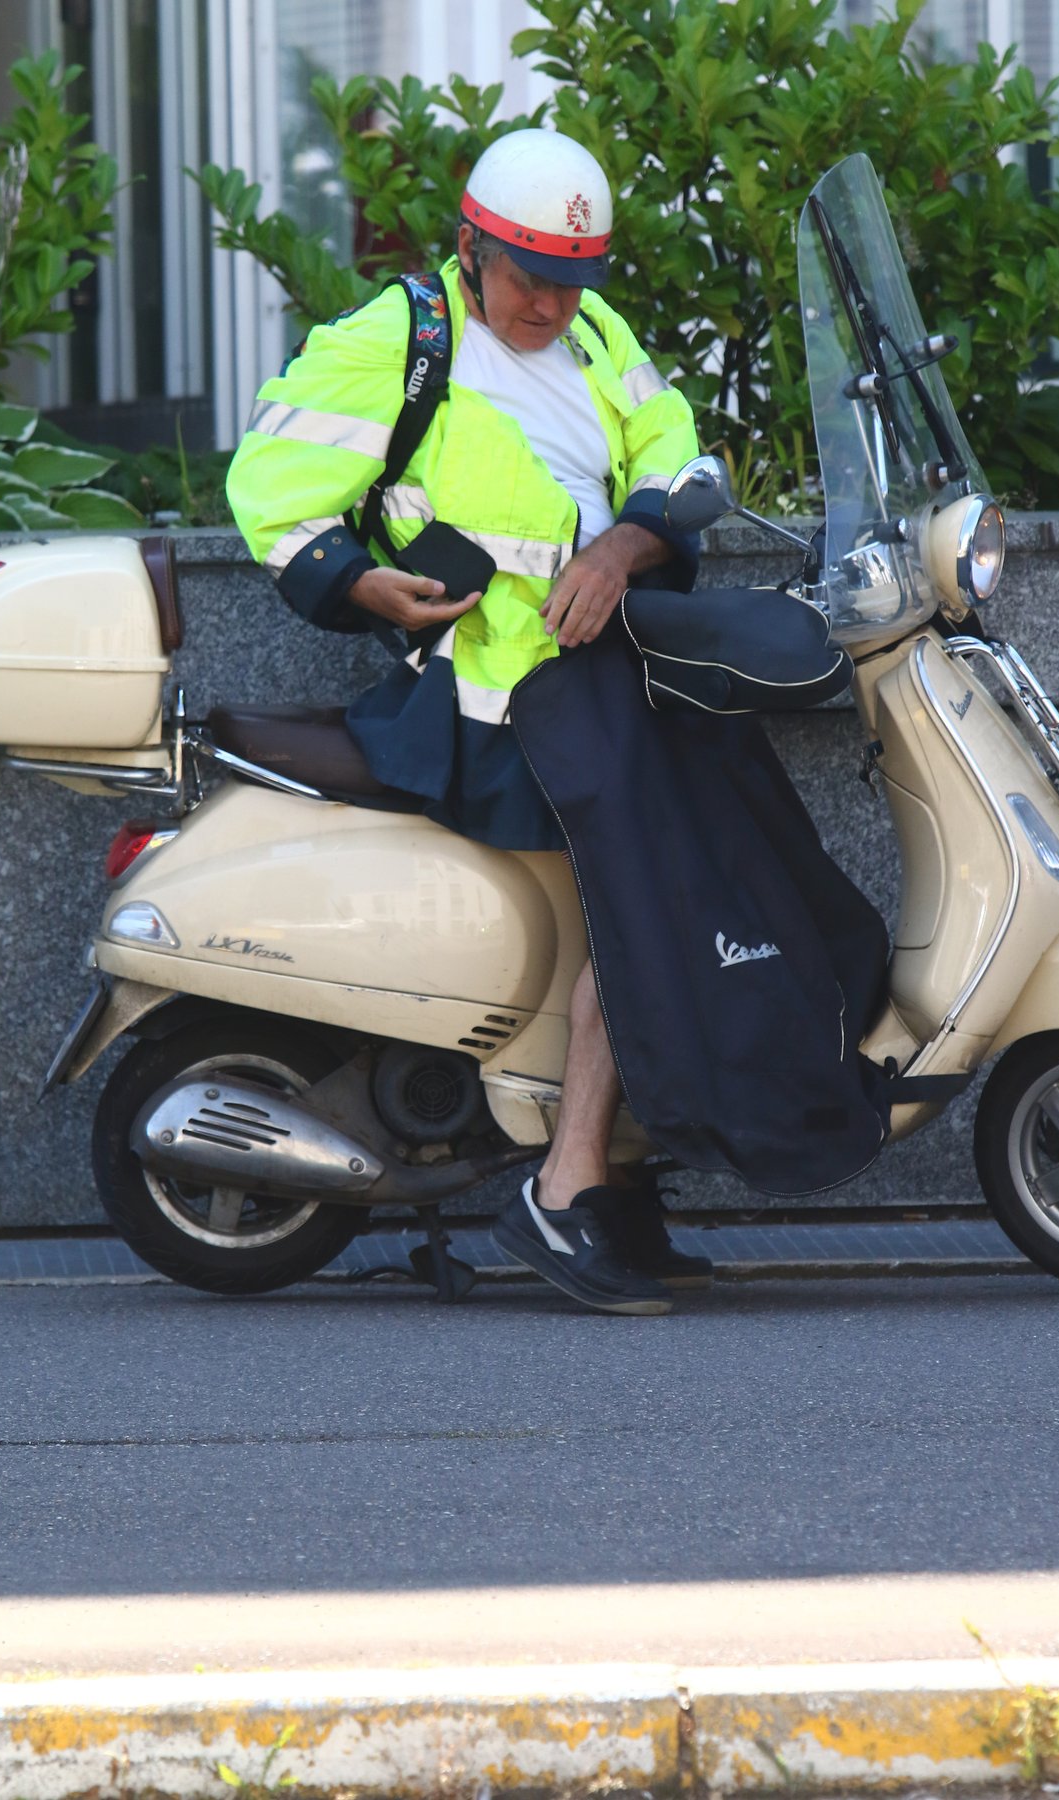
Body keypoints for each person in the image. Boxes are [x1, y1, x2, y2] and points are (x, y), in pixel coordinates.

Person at [227, 127, 710, 1317]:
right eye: (527, 275)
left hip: (605, 674)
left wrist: (626, 542)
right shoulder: (399, 338)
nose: (550, 302)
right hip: (492, 697)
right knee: (635, 915)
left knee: (647, 912)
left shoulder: (597, 333)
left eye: (573, 278)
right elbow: (269, 479)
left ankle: (611, 1176)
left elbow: (678, 449)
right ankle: (570, 1186)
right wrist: (355, 583)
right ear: (470, 248)